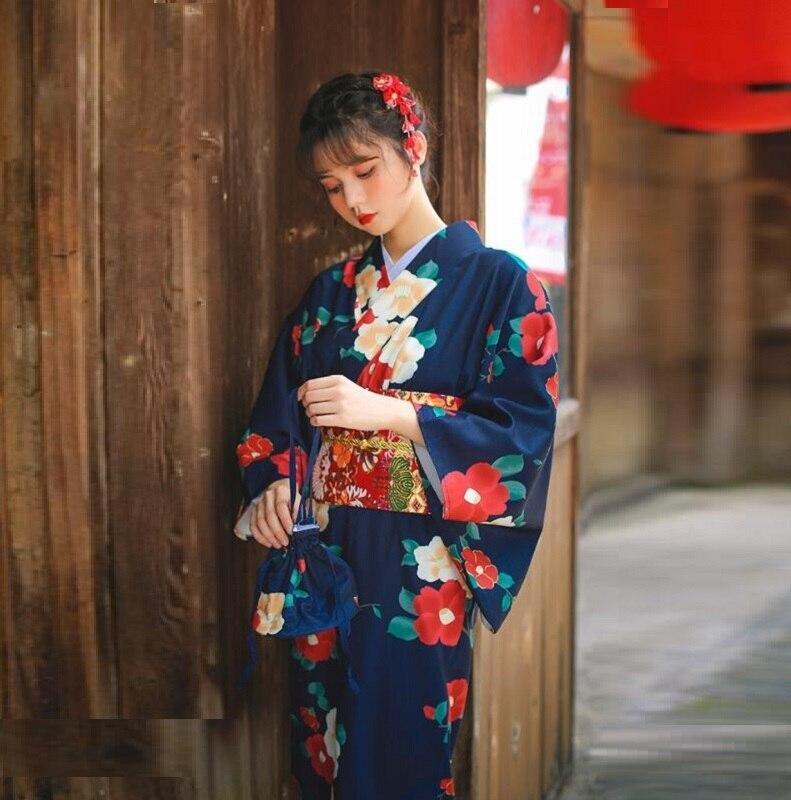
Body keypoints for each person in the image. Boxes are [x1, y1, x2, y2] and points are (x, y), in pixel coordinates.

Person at [234, 70, 560, 800]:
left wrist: (397, 415)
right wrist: (276, 485)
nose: (352, 198)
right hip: (324, 554)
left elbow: (522, 433)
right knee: (322, 748)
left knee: (403, 755)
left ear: (412, 147)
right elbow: (274, 422)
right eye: (331, 186)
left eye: (364, 170)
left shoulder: (505, 285)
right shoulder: (329, 295)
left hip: (422, 571)